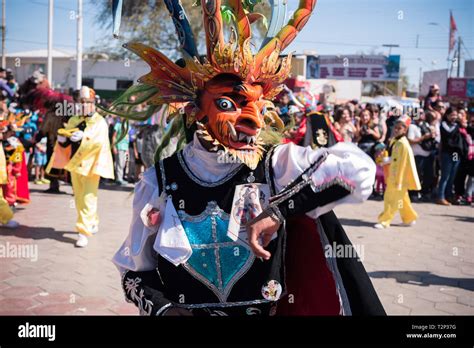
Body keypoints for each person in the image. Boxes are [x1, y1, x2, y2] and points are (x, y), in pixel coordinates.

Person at [111, 0, 384, 316]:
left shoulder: (276, 166)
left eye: (259, 106)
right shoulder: (158, 181)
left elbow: (359, 171)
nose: (253, 121)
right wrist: (166, 310)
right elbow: (133, 269)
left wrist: (279, 210)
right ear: (194, 109)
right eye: (229, 103)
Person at [47, 86, 114, 247]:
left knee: (88, 198)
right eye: (81, 102)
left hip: (92, 166)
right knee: (78, 197)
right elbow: (67, 136)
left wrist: (85, 136)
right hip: (75, 165)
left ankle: (83, 231)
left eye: (88, 102)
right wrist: (63, 141)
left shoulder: (99, 122)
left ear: (94, 103)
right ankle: (93, 221)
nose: (84, 105)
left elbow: (100, 142)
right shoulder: (74, 120)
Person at [375, 120, 420, 229]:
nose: (396, 130)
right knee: (401, 199)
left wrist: (399, 181)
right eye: (395, 127)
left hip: (399, 178)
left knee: (390, 199)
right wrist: (384, 159)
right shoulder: (394, 141)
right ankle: (409, 218)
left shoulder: (403, 144)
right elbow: (393, 157)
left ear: (405, 130)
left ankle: (385, 221)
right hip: (393, 174)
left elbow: (403, 163)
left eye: (399, 128)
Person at [436, 107, 464, 205]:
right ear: (447, 115)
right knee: (445, 176)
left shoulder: (457, 125)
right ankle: (440, 196)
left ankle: (449, 196)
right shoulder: (444, 124)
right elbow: (449, 132)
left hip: (455, 154)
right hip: (447, 154)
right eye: (452, 115)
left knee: (452, 176)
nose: (454, 117)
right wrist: (458, 125)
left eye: (455, 115)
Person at [407, 109, 436, 200]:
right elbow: (410, 141)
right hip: (417, 156)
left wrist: (433, 134)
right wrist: (424, 137)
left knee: (429, 175)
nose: (420, 115)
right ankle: (413, 194)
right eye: (418, 113)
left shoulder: (426, 125)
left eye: (422, 113)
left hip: (428, 155)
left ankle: (425, 193)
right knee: (416, 176)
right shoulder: (412, 126)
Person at [112, 117, 129, 185]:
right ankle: (119, 179)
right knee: (119, 164)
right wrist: (114, 147)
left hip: (125, 148)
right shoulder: (118, 125)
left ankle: (120, 178)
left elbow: (127, 137)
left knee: (123, 164)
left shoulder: (127, 125)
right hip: (119, 147)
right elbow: (114, 136)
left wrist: (127, 149)